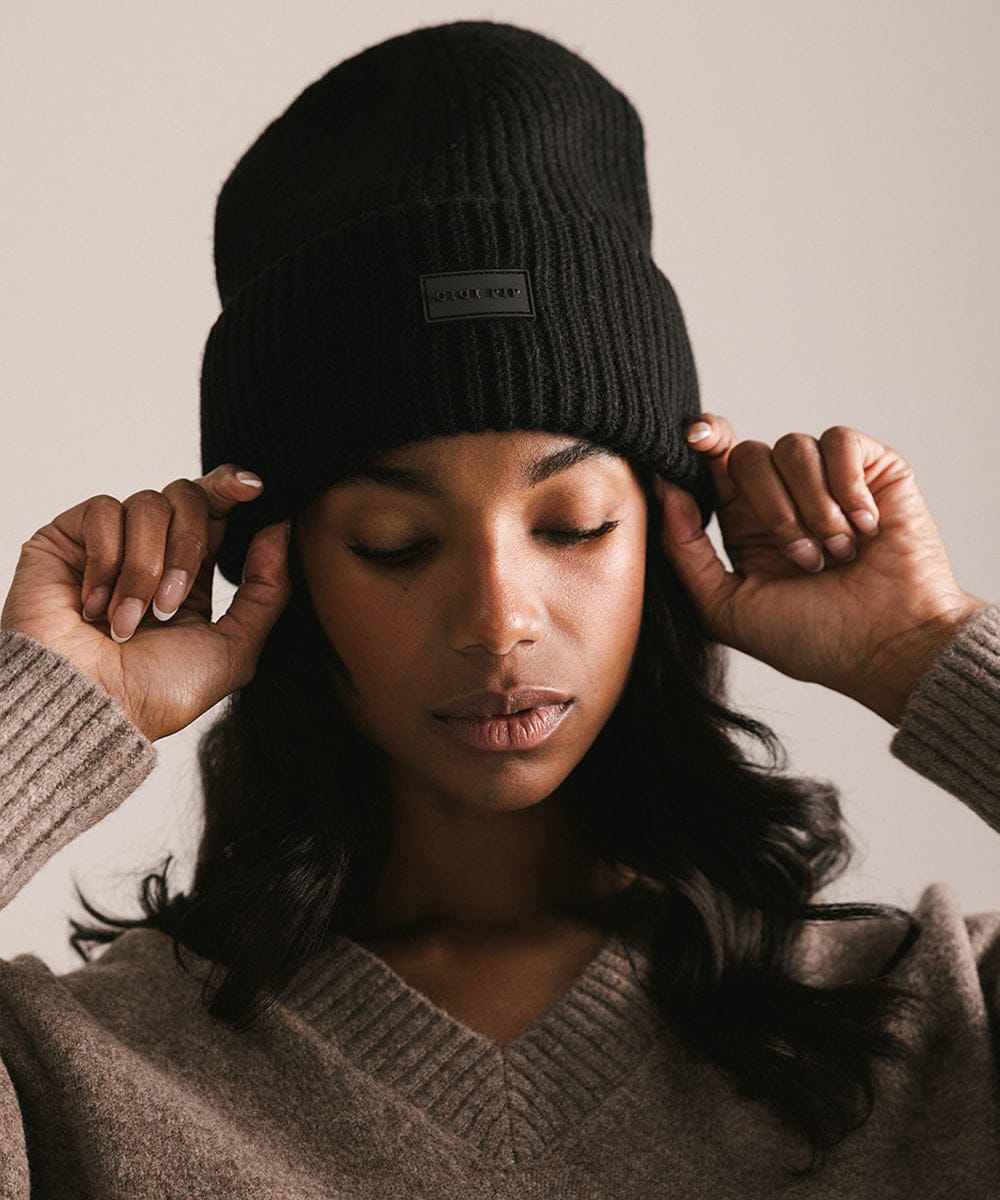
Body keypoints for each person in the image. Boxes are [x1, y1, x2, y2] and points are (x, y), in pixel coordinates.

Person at [1, 18, 998, 1197]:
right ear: (281, 569)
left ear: (667, 539)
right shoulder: (79, 1079)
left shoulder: (935, 1022)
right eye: (395, 543)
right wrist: (50, 708)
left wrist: (924, 653)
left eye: (572, 525)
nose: (496, 619)